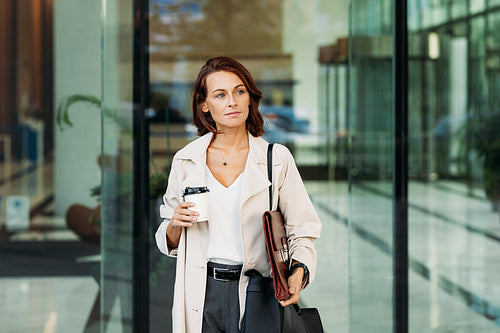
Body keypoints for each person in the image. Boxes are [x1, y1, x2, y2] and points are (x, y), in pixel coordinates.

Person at [155, 56, 321, 333]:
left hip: (260, 291)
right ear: (205, 105)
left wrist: (299, 269)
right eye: (220, 94)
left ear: (249, 98)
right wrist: (174, 223)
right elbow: (167, 239)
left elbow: (303, 227)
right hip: (203, 292)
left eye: (239, 91)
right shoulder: (186, 160)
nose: (231, 101)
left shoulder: (275, 158)